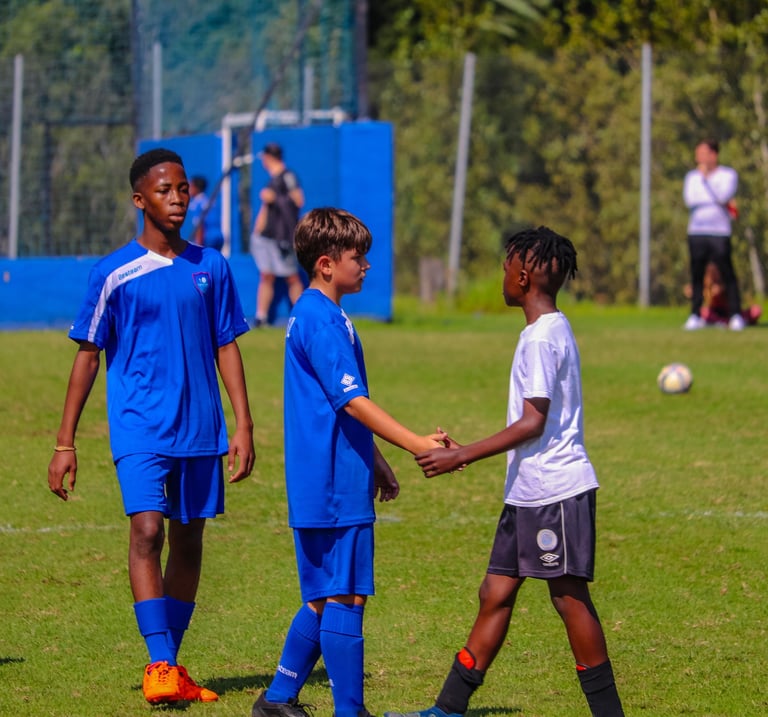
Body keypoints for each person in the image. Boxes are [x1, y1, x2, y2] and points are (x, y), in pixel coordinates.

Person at [385, 226, 624, 717]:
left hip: (555, 491)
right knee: (494, 591)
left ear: (521, 274)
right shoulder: (549, 328)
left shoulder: (541, 338)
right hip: (528, 491)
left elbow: (533, 421)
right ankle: (448, 709)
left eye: (503, 269)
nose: (501, 278)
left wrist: (463, 454)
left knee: (569, 600)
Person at [47, 148, 255, 705]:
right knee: (147, 532)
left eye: (183, 188)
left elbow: (226, 345)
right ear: (140, 199)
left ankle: (171, 663)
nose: (178, 197)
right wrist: (64, 442)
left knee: (189, 539)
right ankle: (160, 663)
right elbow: (87, 357)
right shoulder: (113, 274)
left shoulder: (211, 267)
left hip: (202, 429)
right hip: (140, 428)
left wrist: (243, 423)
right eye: (165, 190)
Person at [251, 207, 445, 717]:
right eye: (358, 258)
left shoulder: (321, 313)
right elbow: (353, 402)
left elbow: (339, 407)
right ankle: (350, 711)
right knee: (346, 596)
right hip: (333, 481)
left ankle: (275, 700)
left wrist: (375, 458)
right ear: (326, 264)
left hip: (335, 473)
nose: (366, 267)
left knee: (324, 595)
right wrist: (417, 443)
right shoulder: (319, 319)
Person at [682, 138, 743, 331]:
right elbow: (690, 199)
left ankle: (735, 315)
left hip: (720, 232)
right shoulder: (692, 177)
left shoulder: (728, 175)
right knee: (697, 274)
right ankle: (695, 315)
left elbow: (723, 196)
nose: (698, 157)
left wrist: (706, 181)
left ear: (713, 154)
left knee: (727, 274)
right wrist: (708, 195)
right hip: (697, 232)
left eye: (702, 153)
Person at [249, 142, 305, 326]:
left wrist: (275, 198)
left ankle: (301, 316)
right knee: (266, 275)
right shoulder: (272, 180)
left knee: (292, 277)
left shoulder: (287, 176)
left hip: (283, 238)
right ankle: (261, 316)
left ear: (268, 158)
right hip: (266, 237)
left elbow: (298, 200)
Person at [187, 175, 224, 251]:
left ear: (196, 188)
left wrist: (198, 245)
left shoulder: (197, 204)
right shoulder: (209, 201)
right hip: (218, 236)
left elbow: (199, 225)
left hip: (207, 238)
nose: (188, 189)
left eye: (190, 186)